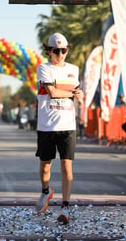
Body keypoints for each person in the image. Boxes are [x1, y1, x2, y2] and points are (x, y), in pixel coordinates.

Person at [34, 32, 83, 225]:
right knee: (45, 166)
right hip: (47, 126)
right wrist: (72, 93)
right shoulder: (43, 69)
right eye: (57, 51)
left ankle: (65, 206)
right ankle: (46, 191)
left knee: (66, 166)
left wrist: (78, 93)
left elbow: (77, 92)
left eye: (64, 50)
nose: (61, 54)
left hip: (67, 125)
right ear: (49, 51)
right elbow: (52, 93)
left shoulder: (73, 69)